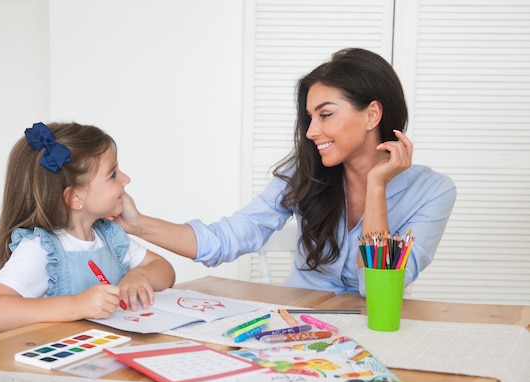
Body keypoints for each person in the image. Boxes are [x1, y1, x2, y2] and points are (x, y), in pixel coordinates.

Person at [114, 48, 456, 296]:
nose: (311, 132)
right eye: (310, 118)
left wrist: (376, 187)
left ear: (372, 115)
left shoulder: (434, 191)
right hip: (299, 325)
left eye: (325, 115)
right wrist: (137, 224)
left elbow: (377, 289)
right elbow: (227, 238)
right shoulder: (304, 172)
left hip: (374, 328)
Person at [0, 122, 175, 335]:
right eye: (113, 174)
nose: (126, 179)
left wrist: (141, 276)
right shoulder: (43, 249)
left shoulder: (108, 236)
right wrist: (77, 305)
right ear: (75, 198)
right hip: (56, 358)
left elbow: (165, 270)